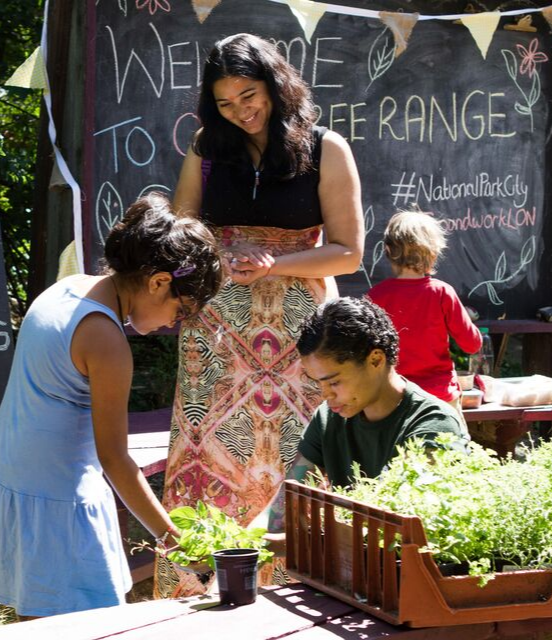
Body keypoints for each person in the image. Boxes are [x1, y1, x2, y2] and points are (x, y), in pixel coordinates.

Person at [156, 33, 364, 598]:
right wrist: (215, 254)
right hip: (215, 332)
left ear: (275, 85)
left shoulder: (326, 147)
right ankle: (196, 593)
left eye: (249, 95)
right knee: (206, 455)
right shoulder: (206, 147)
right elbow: (182, 228)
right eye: (225, 103)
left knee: (296, 454)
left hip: (298, 327)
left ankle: (297, 593)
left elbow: (348, 250)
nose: (240, 111)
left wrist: (277, 262)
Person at [0, 193, 222, 618]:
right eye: (180, 309)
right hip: (58, 501)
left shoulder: (67, 288)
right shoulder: (105, 340)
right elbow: (115, 460)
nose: (173, 323)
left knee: (40, 619)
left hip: (15, 477)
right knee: (89, 623)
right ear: (157, 281)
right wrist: (177, 543)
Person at [261, 297, 469, 543]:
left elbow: (399, 528)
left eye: (334, 382)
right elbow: (284, 507)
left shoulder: (434, 424)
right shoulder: (329, 417)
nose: (325, 394)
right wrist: (233, 547)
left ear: (375, 360)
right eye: (319, 383)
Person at [368, 209, 482, 411]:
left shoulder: (376, 297)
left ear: (388, 250)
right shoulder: (441, 293)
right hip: (439, 397)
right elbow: (471, 344)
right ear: (434, 252)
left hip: (393, 396)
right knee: (450, 442)